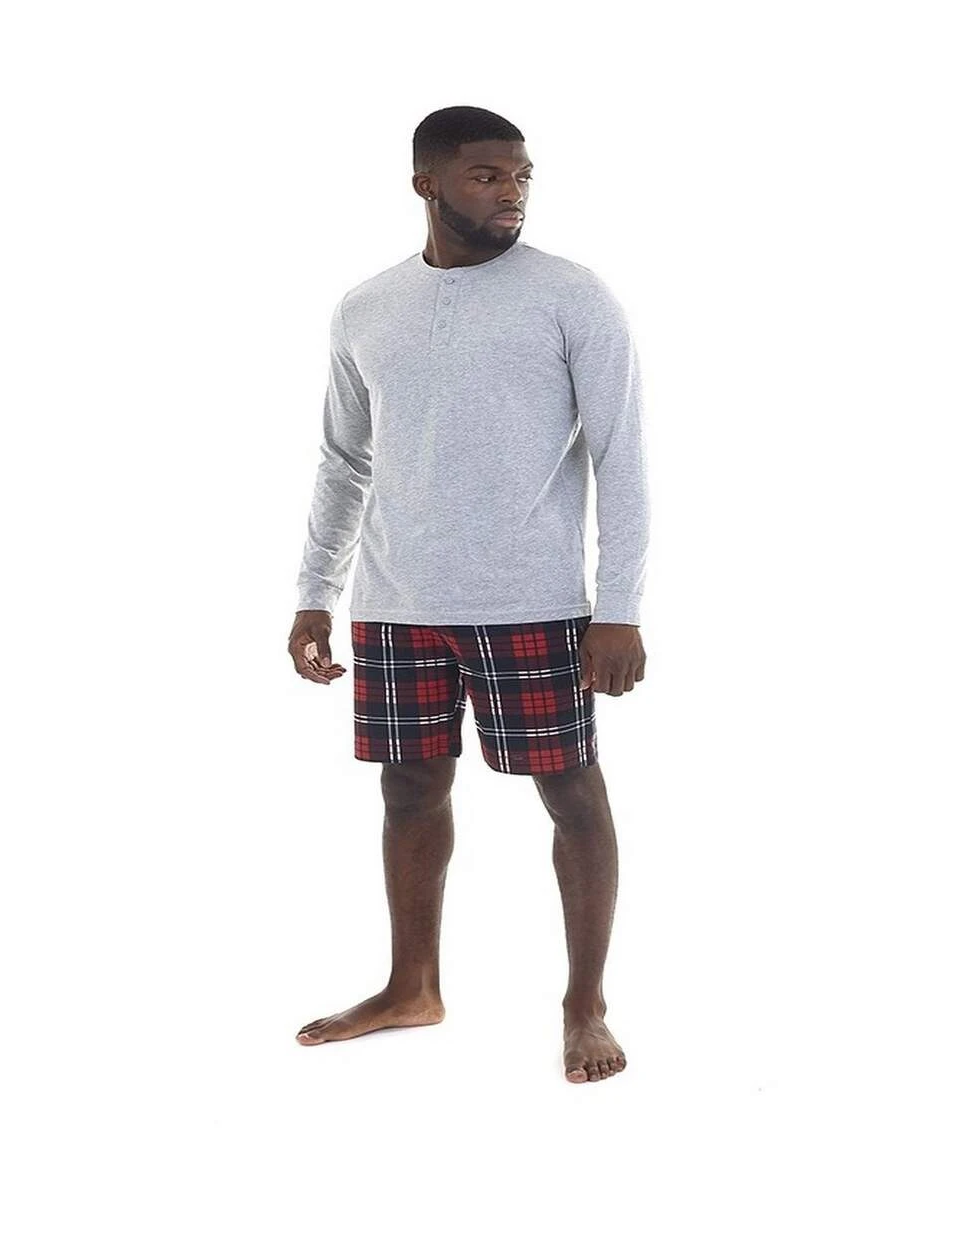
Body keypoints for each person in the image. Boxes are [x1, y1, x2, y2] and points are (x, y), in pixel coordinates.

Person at [288, 105, 650, 1083]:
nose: (511, 192)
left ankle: (585, 1005)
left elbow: (621, 457)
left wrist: (618, 606)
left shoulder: (572, 296)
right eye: (487, 175)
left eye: (521, 175)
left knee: (570, 793)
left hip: (531, 599)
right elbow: (343, 461)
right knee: (408, 787)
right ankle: (413, 985)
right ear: (428, 183)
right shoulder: (366, 308)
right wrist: (316, 591)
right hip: (396, 600)